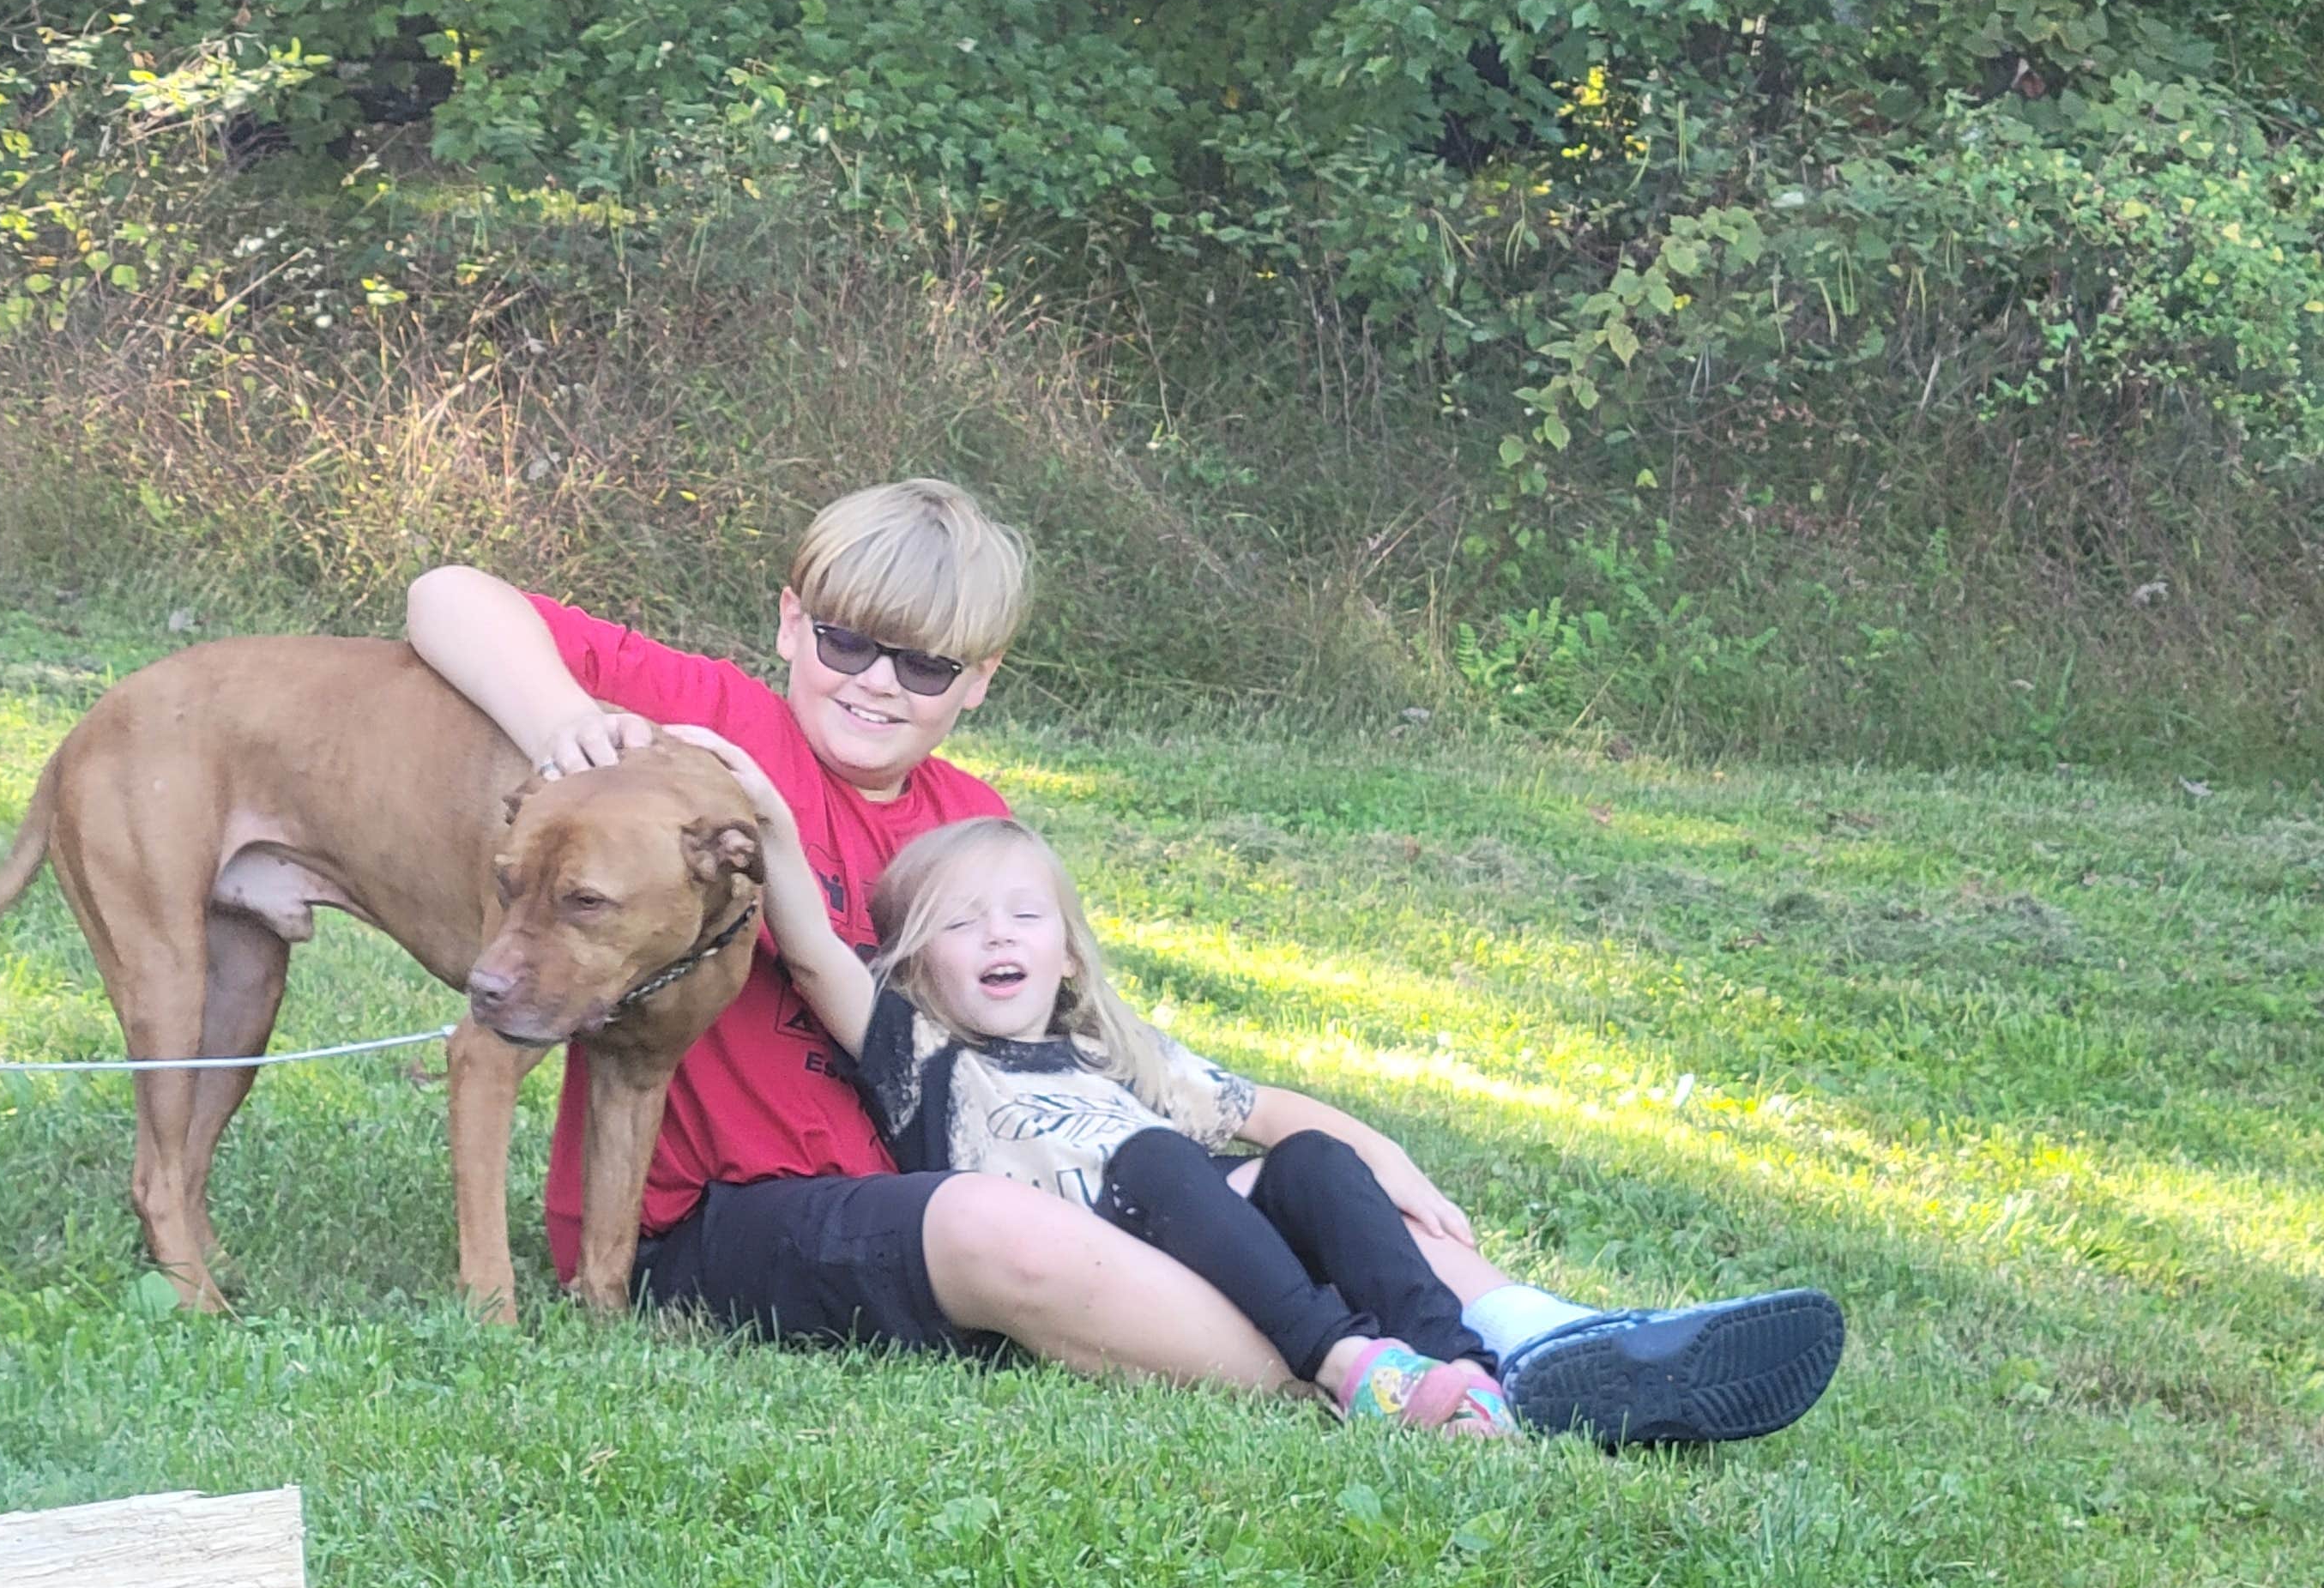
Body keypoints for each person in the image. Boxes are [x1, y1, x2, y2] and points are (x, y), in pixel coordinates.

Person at [403, 478, 1845, 1444]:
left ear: (974, 683)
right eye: (844, 639)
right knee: (997, 1225)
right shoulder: (705, 718)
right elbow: (447, 592)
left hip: (977, 1151)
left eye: (922, 667)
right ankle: (1414, 1395)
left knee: (1260, 1181)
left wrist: (1313, 1123)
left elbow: (1095, 1058)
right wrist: (564, 728)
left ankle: (1551, 1336)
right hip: (719, 1222)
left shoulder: (971, 827)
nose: (871, 683)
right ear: (791, 618)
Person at [676, 787, 1518, 1431]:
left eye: (1025, 916)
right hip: (1112, 1267)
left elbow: (1260, 1112)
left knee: (1312, 1164)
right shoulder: (922, 1056)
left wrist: (1382, 1155)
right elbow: (820, 960)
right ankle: (1343, 1363)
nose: (999, 937)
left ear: (1068, 949)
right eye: (961, 925)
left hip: (1207, 1234)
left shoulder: (1108, 1052)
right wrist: (774, 830)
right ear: (915, 965)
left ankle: (1468, 1373)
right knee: (1154, 1157)